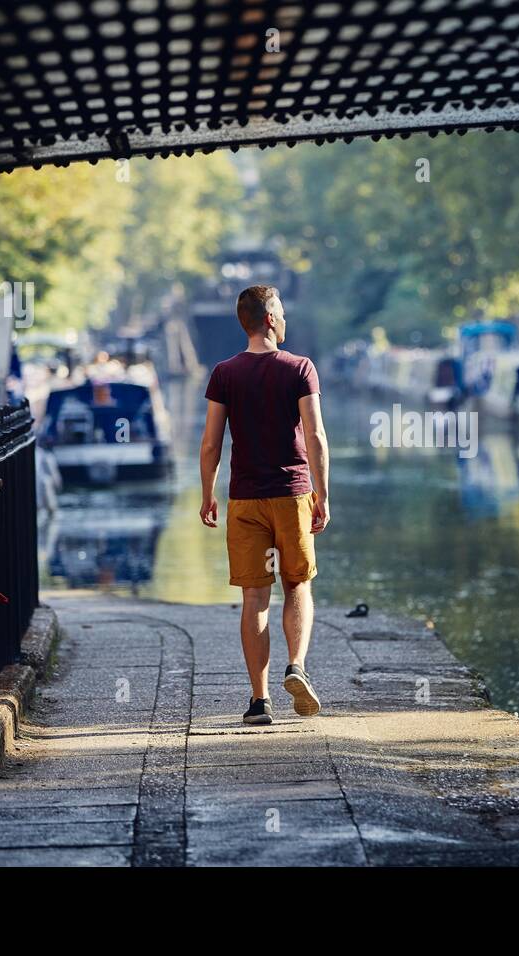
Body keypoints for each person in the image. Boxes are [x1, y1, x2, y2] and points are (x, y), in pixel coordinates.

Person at [198, 285, 330, 725]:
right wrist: (322, 493)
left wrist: (206, 494)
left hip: (245, 498)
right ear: (271, 317)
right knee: (297, 585)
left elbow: (211, 444)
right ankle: (297, 666)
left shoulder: (225, 373)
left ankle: (260, 701)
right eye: (283, 311)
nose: (286, 317)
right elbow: (314, 436)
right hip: (292, 494)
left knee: (255, 597)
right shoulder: (300, 368)